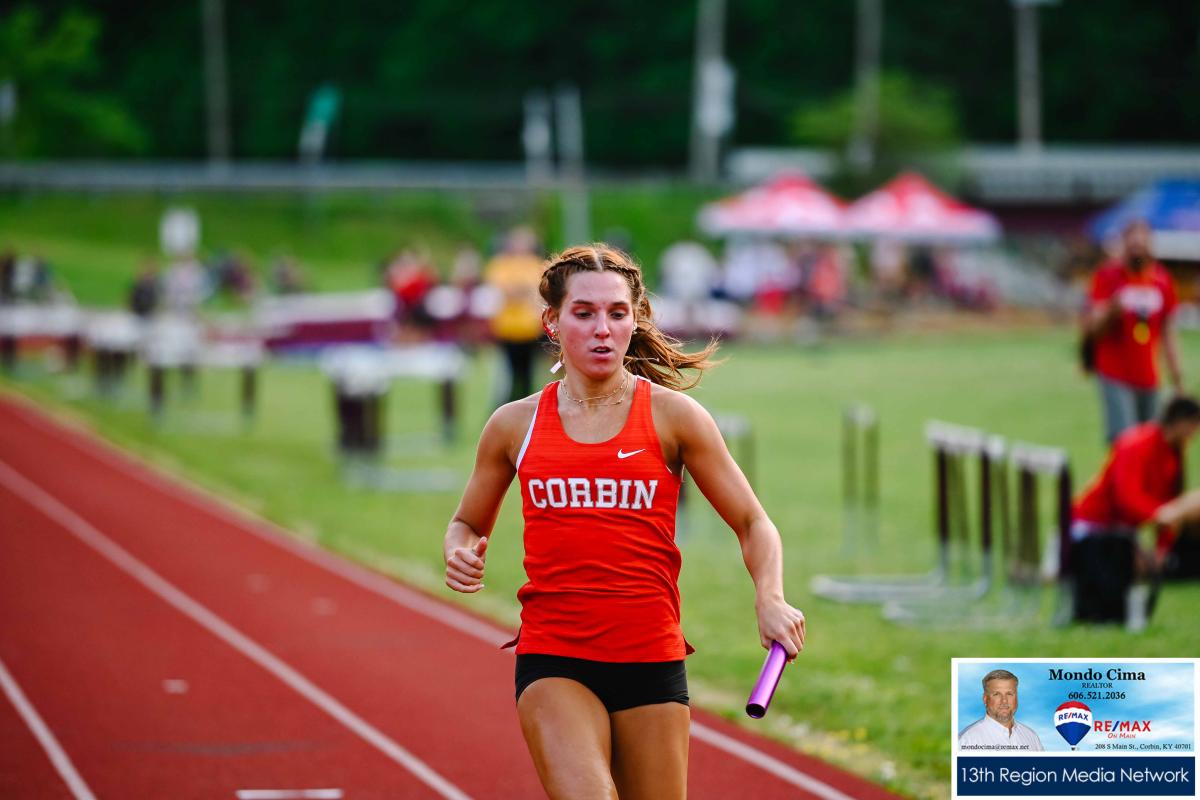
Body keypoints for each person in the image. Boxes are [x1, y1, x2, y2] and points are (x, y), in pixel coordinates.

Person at [442, 244, 806, 799]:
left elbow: (753, 522)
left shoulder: (674, 417)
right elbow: (467, 522)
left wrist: (770, 597)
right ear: (552, 321)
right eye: (583, 312)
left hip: (650, 659)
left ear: (634, 321)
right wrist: (460, 548)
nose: (602, 329)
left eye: (617, 313)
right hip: (555, 657)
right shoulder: (514, 425)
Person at [1070, 395, 1200, 623]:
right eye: (1194, 426)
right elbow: (1127, 499)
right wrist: (1161, 515)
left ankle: (1171, 561)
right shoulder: (1136, 443)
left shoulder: (1172, 452)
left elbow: (1169, 500)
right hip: (1093, 527)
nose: (1195, 434)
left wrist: (1162, 546)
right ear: (1181, 422)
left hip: (1125, 531)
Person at [1084, 219, 1183, 443]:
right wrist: (1112, 311)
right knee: (1125, 441)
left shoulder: (1161, 281)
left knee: (1151, 442)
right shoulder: (1108, 276)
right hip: (1115, 372)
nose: (1138, 248)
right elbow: (1092, 329)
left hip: (1148, 374)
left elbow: (1168, 333)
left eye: (1142, 242)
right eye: (1133, 243)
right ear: (1124, 245)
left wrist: (1177, 379)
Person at [483, 227, 545, 403]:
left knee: (528, 375)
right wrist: (523, 291)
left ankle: (528, 407)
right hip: (507, 328)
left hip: (530, 328)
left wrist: (520, 291)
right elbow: (504, 291)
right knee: (506, 375)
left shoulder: (536, 265)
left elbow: (537, 290)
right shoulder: (501, 265)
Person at [958, 670, 1044, 750]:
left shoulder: (1031, 737)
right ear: (985, 699)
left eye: (1009, 694)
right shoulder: (966, 740)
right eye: (997, 694)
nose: (1004, 701)